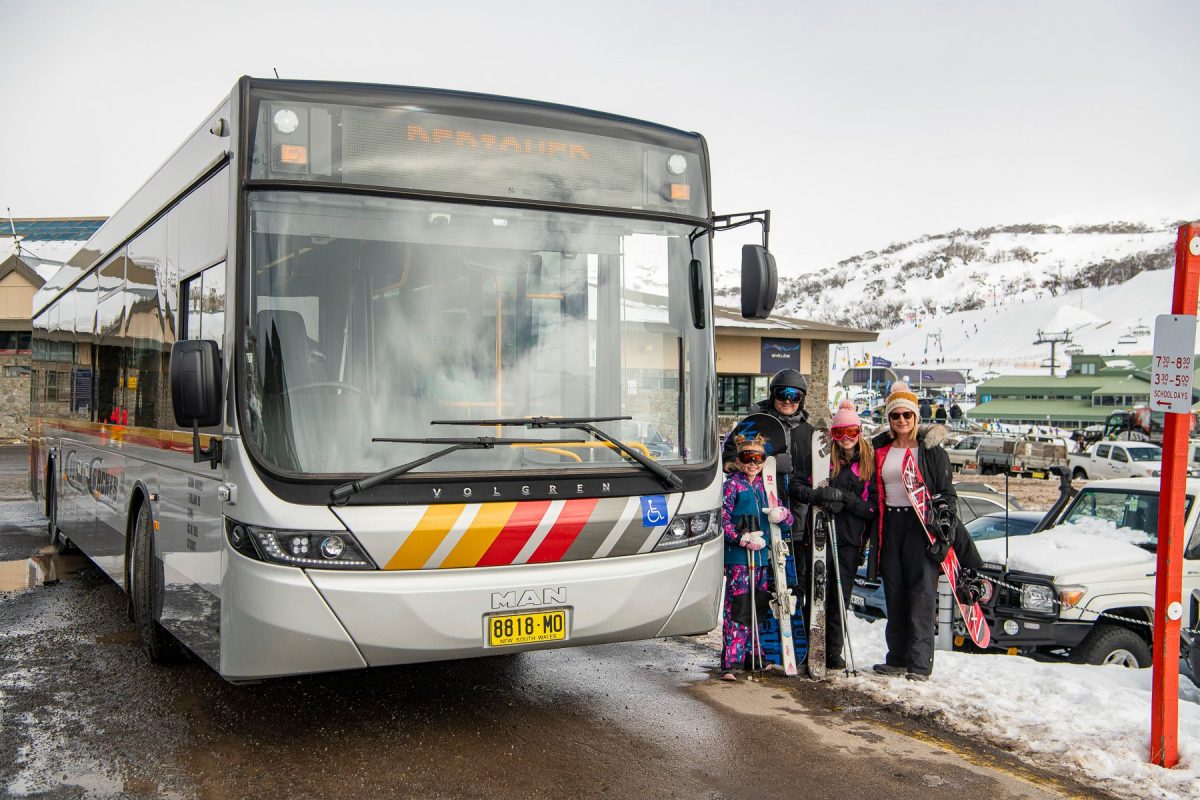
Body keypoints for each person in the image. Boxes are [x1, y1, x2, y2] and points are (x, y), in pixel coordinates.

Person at [869, 381, 982, 681]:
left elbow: (946, 494)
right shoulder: (880, 448)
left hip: (921, 526)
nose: (902, 421)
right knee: (894, 591)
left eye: (907, 415)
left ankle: (919, 663)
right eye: (896, 416)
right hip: (890, 523)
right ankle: (897, 657)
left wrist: (944, 535)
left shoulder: (931, 451)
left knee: (920, 594)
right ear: (889, 419)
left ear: (916, 417)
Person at [718, 433, 794, 681]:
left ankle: (755, 656)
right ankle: (732, 660)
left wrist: (782, 515)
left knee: (758, 604)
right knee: (739, 605)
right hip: (740, 557)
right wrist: (741, 537)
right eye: (747, 458)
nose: (752, 463)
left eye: (758, 458)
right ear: (739, 460)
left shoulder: (767, 486)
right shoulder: (732, 485)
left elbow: (786, 521)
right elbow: (722, 519)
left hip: (762, 557)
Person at [808, 400, 876, 670]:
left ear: (859, 432)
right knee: (818, 593)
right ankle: (815, 646)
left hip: (849, 540)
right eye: (839, 433)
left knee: (839, 596)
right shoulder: (826, 459)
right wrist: (825, 497)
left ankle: (833, 651)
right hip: (823, 534)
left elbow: (872, 508)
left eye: (851, 432)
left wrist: (846, 499)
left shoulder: (867, 464)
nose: (846, 439)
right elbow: (813, 487)